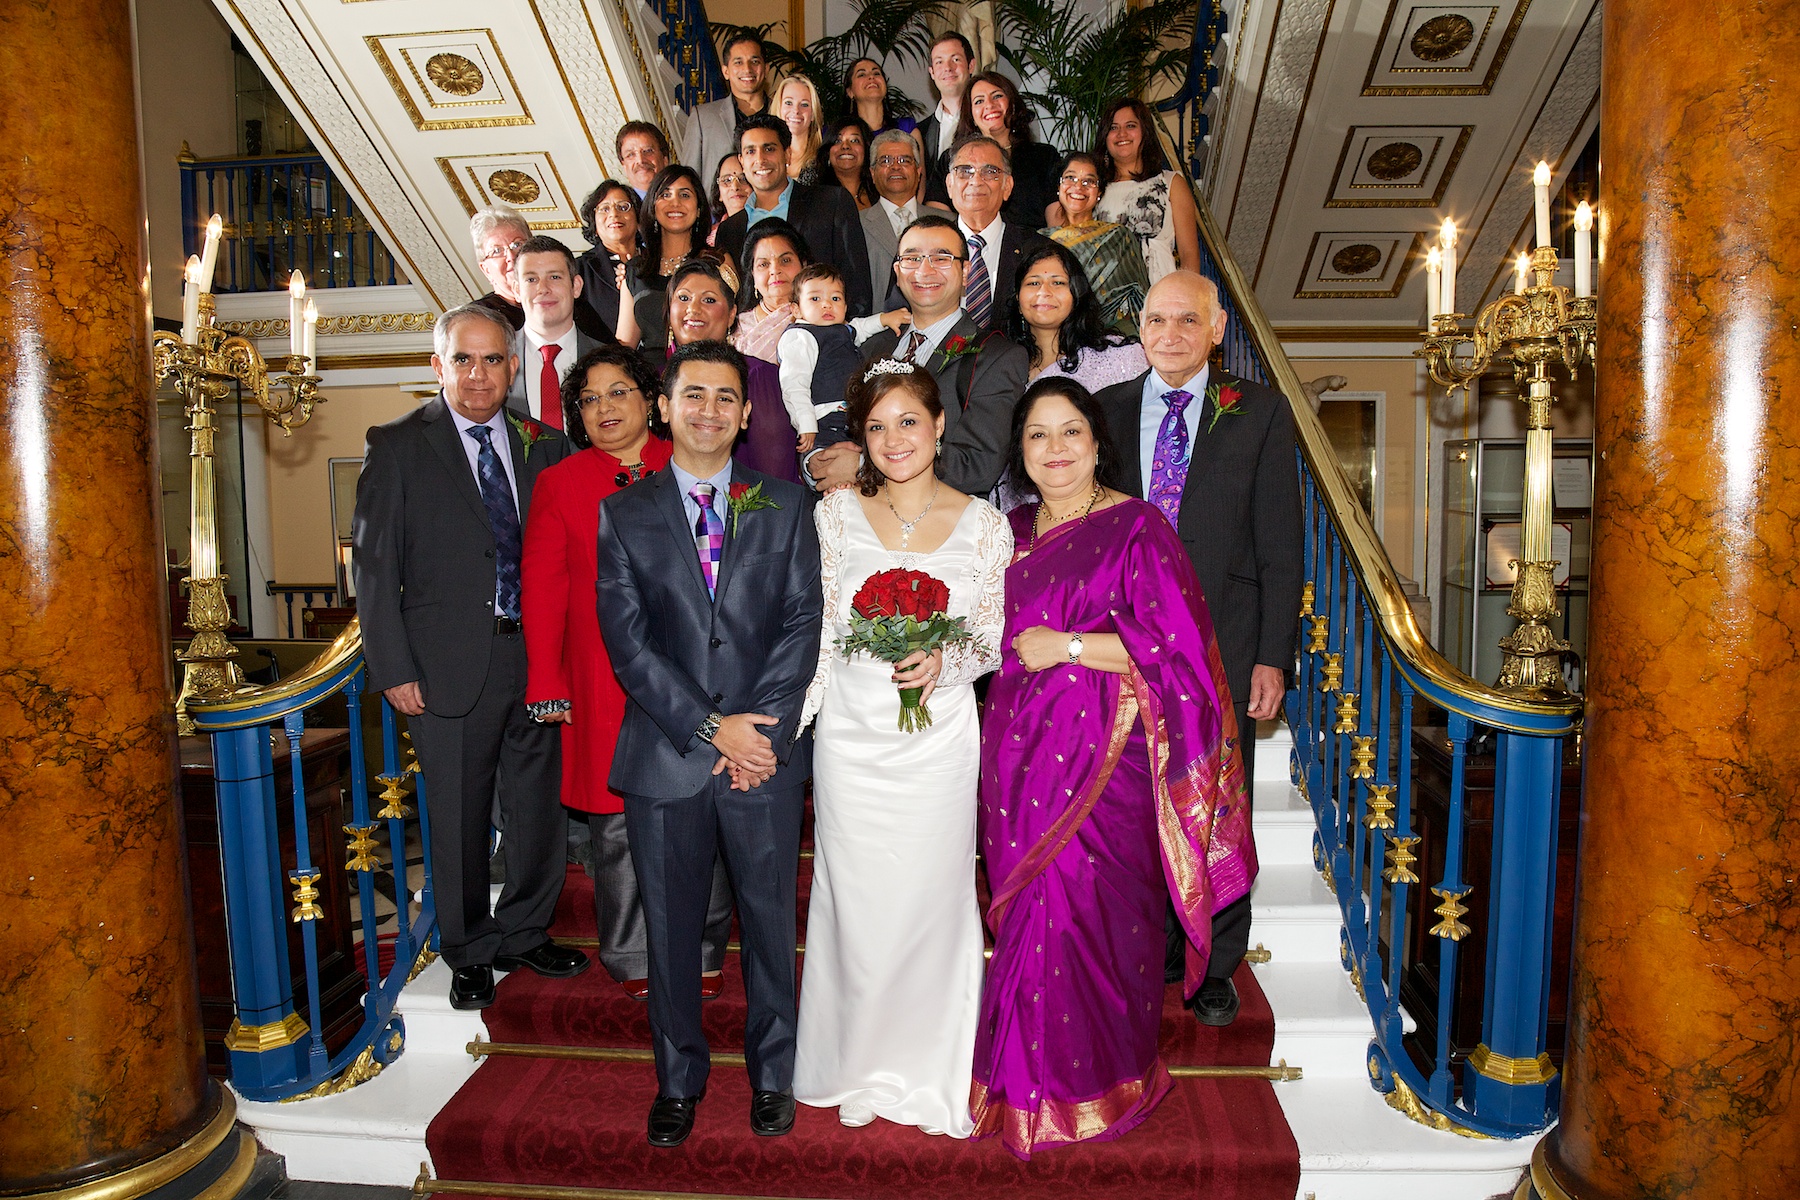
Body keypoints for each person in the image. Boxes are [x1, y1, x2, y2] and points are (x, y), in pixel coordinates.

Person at [970, 375, 1255, 1157]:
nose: (1054, 450)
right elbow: (977, 636)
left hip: (1110, 761)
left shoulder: (1137, 528)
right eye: (1037, 435)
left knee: (1096, 920)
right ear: (1018, 451)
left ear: (1098, 443)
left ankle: (1100, 1084)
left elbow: (1182, 651)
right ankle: (1017, 1085)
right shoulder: (1007, 530)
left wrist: (1065, 646)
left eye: (1070, 433)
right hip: (1016, 758)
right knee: (1027, 918)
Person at [594, 339, 823, 1147]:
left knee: (767, 925)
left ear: (747, 412)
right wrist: (706, 726)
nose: (709, 412)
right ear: (666, 405)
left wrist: (756, 731)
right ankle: (678, 1080)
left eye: (727, 398)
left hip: (763, 756)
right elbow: (629, 647)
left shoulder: (785, 505)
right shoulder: (625, 512)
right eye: (694, 395)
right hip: (667, 757)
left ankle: (773, 1075)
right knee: (672, 931)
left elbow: (803, 624)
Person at [792, 361, 1009, 1137]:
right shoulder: (834, 516)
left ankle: (927, 1066)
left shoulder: (986, 523)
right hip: (852, 736)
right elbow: (819, 630)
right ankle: (856, 1062)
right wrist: (802, 719)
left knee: (930, 895)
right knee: (855, 901)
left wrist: (946, 662)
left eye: (908, 422)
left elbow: (990, 634)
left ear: (940, 425)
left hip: (940, 735)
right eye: (876, 427)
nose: (892, 440)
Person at [352, 303, 588, 1012]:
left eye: (492, 360)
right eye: (463, 359)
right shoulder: (397, 445)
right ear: (438, 366)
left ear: (513, 367)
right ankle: (469, 949)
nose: (478, 374)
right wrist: (392, 667)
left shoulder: (545, 443)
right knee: (455, 816)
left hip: (537, 658)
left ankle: (523, 930)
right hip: (445, 665)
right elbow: (372, 568)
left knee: (537, 807)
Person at [1095, 271, 1303, 1025]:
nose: (1170, 334)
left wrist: (1272, 655)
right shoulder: (1107, 413)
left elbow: (1283, 542)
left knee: (1217, 804)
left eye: (1188, 320)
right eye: (1155, 320)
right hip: (1123, 647)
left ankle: (1217, 961)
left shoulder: (1259, 412)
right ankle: (1149, 948)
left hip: (1226, 644)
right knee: (1133, 803)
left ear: (1218, 331)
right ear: (1140, 331)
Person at [521, 344, 734, 1001]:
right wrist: (546, 681)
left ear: (652, 402)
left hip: (695, 676)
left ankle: (701, 952)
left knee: (702, 815)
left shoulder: (696, 465)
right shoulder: (560, 483)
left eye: (620, 393)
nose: (605, 408)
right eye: (589, 399)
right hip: (599, 678)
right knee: (616, 830)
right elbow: (544, 589)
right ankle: (634, 956)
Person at [812, 214, 1027, 496]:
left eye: (941, 258)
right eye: (912, 259)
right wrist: (816, 463)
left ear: (965, 273)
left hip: (942, 526)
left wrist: (864, 465)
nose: (924, 271)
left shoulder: (997, 356)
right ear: (897, 273)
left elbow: (978, 465)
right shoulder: (870, 347)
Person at [713, 115, 874, 318]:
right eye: (751, 151)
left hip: (823, 341)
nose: (760, 159)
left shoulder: (831, 203)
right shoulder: (730, 230)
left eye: (769, 149)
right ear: (742, 162)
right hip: (754, 344)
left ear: (787, 154)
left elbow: (857, 284)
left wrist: (842, 339)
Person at [667, 257, 802, 484]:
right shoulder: (654, 378)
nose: (693, 308)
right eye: (683, 298)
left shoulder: (757, 378)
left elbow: (774, 481)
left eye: (709, 300)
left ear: (732, 314)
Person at [776, 263, 906, 453]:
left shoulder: (841, 329)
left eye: (835, 298)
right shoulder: (799, 337)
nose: (827, 304)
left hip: (854, 416)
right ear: (796, 310)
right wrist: (806, 423)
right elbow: (794, 384)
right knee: (832, 461)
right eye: (815, 298)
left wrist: (884, 319)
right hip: (825, 419)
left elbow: (860, 328)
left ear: (845, 307)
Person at [507, 236, 631, 426]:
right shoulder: (496, 360)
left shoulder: (613, 362)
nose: (543, 289)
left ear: (576, 286)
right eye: (531, 279)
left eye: (554, 277)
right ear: (516, 290)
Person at [943, 135, 1057, 333]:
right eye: (965, 171)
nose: (976, 181)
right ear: (949, 185)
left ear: (1007, 187)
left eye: (990, 172)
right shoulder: (924, 250)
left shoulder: (1040, 252)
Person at [1092, 98, 1200, 285]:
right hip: (1107, 297)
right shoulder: (1093, 188)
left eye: (1130, 125)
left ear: (1145, 132)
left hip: (1160, 293)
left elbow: (1189, 254)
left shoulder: (1171, 183)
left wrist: (1187, 300)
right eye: (1113, 127)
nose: (1121, 134)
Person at [1009, 242, 1146, 389]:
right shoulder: (1002, 366)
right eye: (1034, 283)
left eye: (1057, 282)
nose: (1044, 291)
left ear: (1077, 295)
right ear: (1018, 298)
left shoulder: (1119, 358)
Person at [1045, 151, 1150, 335]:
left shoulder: (1119, 238)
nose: (1078, 187)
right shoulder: (1041, 241)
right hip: (1055, 339)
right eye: (1070, 178)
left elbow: (1140, 298)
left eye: (1089, 181)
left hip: (1111, 341)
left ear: (1099, 192)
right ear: (1059, 186)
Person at [955, 72, 1060, 228]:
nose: (989, 105)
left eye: (997, 96)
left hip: (1033, 248)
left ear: (1013, 104)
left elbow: (1056, 225)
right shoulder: (954, 160)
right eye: (979, 101)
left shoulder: (1044, 157)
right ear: (971, 115)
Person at [634, 165, 715, 350]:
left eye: (684, 195)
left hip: (702, 366)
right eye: (665, 195)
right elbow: (625, 342)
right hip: (648, 372)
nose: (675, 202)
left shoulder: (715, 260)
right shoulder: (635, 268)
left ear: (699, 208)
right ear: (653, 207)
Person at [680, 31, 771, 194]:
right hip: (719, 215)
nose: (747, 69)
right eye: (738, 62)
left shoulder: (782, 114)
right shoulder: (703, 117)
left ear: (765, 68)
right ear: (726, 71)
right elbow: (688, 179)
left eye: (754, 61)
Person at [575, 180, 647, 341]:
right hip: (604, 358)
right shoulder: (579, 269)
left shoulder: (658, 262)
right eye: (604, 209)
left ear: (638, 218)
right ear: (594, 223)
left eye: (623, 207)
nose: (614, 214)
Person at [859, 130, 923, 309]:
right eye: (886, 161)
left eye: (904, 160)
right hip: (876, 330)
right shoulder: (855, 224)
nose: (895, 166)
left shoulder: (947, 221)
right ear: (872, 173)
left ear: (918, 171)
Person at [733, 218, 808, 365]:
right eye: (764, 264)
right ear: (752, 275)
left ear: (803, 265)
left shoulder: (820, 316)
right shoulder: (737, 328)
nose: (775, 270)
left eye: (785, 260)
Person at [917, 33, 973, 206]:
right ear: (932, 72)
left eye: (955, 59)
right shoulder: (920, 132)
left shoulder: (988, 123)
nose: (948, 68)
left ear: (971, 65)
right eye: (939, 61)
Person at [844, 56, 918, 138]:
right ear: (850, 92)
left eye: (876, 73)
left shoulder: (906, 129)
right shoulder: (840, 135)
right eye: (862, 75)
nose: (871, 77)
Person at [816, 116, 877, 209]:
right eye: (838, 141)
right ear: (828, 152)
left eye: (854, 140)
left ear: (866, 150)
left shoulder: (881, 194)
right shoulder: (814, 198)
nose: (845, 146)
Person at [774, 73, 824, 185]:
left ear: (813, 114)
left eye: (804, 104)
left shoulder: (825, 159)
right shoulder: (764, 155)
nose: (796, 110)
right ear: (779, 108)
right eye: (788, 103)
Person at [617, 121, 672, 198]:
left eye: (648, 151)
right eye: (631, 155)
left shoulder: (689, 200)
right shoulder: (624, 208)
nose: (640, 160)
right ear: (624, 166)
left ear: (664, 159)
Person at [707, 155, 752, 242]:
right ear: (719, 193)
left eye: (743, 178)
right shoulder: (708, 239)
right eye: (727, 180)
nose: (735, 187)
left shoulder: (768, 229)